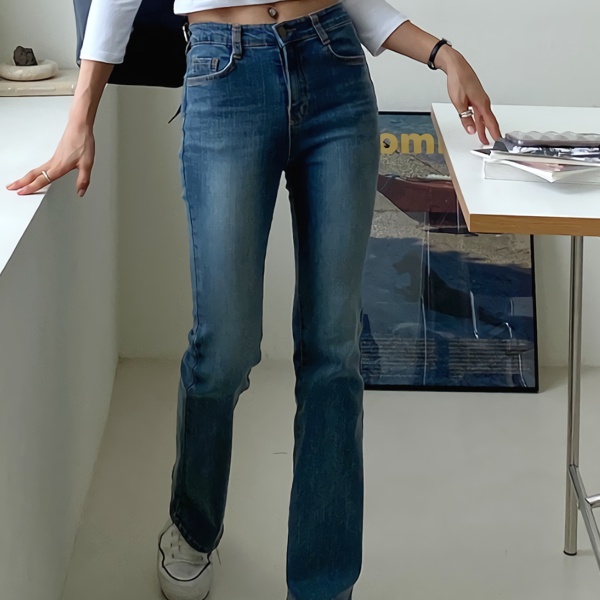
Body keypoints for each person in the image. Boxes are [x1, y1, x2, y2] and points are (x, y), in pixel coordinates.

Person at [7, 1, 501, 599]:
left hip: (334, 66)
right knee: (225, 348)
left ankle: (323, 584)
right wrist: (80, 116)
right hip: (224, 72)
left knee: (333, 353)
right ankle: (193, 527)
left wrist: (441, 53)